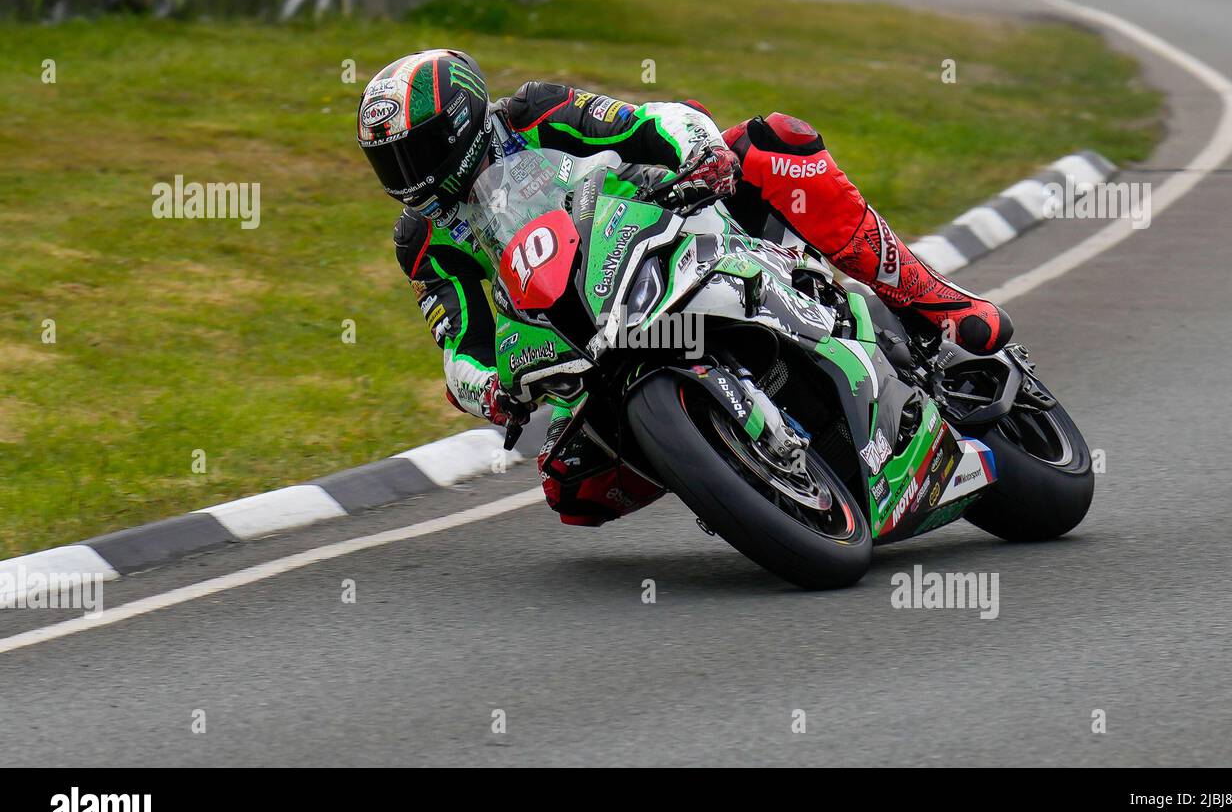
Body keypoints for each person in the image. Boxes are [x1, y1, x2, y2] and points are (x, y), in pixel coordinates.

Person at [357, 49, 1012, 525]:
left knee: (773, 145)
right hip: (576, 337)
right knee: (570, 487)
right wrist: (491, 392)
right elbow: (459, 349)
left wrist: (700, 155)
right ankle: (728, 469)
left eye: (417, 151)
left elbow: (651, 121)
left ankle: (938, 303)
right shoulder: (423, 242)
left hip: (668, 228)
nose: (408, 173)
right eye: (391, 161)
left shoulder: (535, 113)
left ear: (462, 123)